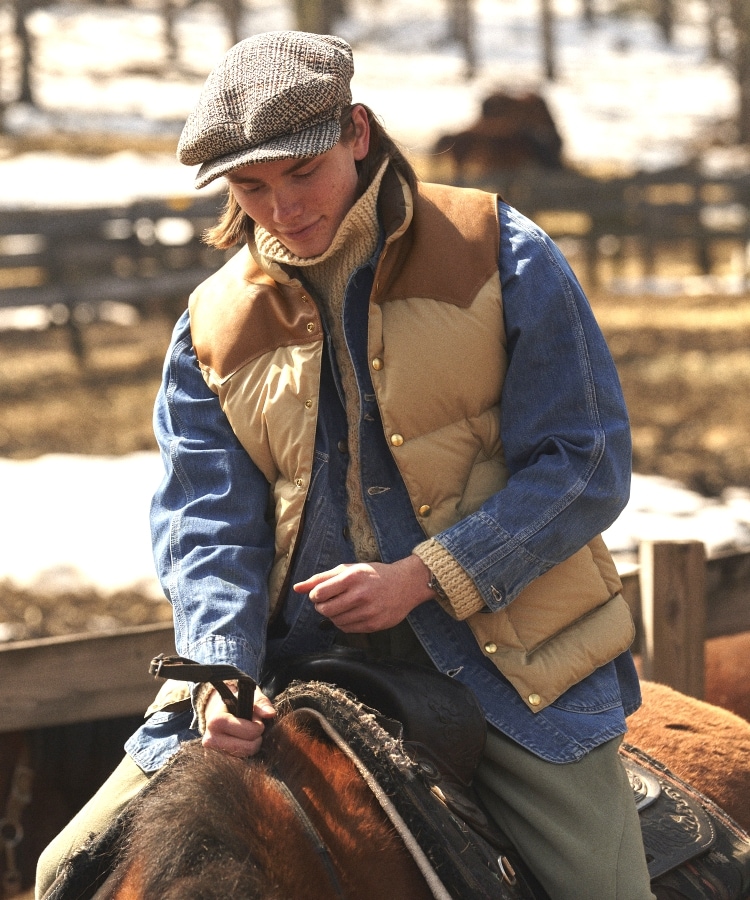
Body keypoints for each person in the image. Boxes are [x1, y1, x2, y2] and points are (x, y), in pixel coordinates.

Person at [36, 30, 655, 900]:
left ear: (357, 133)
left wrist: (427, 576)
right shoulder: (210, 326)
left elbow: (584, 463)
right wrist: (219, 669)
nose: (283, 209)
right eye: (251, 187)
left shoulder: (502, 253)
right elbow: (205, 521)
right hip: (287, 661)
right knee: (62, 869)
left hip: (505, 656)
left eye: (302, 172)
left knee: (601, 890)